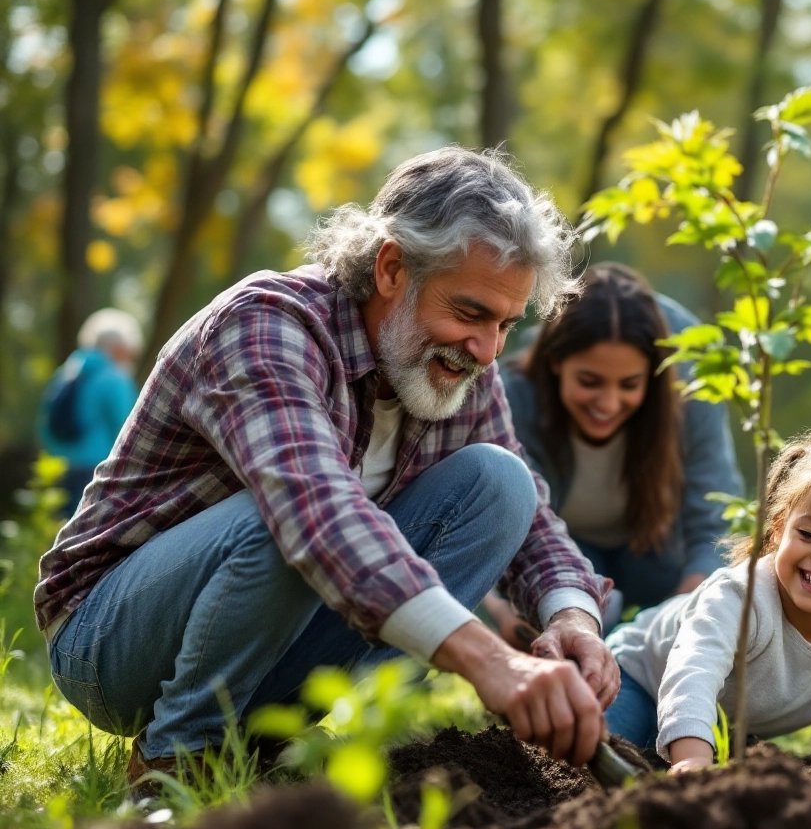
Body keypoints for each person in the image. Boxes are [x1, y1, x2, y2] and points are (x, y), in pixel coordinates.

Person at [35, 147, 620, 793]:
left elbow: (532, 517)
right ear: (392, 267)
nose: (487, 349)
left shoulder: (454, 366)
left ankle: (260, 739)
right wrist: (491, 661)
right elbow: (316, 515)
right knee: (283, 516)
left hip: (265, 637)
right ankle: (178, 757)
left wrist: (572, 620)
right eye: (471, 313)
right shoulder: (266, 324)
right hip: (109, 641)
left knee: (500, 483)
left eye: (507, 324)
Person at [604, 425, 811, 772]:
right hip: (640, 681)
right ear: (778, 528)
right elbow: (693, 673)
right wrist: (692, 762)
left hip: (722, 722)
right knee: (604, 754)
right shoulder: (739, 597)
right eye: (808, 534)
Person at [500, 262, 741, 626]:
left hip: (657, 551)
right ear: (555, 362)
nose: (608, 404)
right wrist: (511, 619)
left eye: (629, 385)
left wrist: (681, 620)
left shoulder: (692, 390)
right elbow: (505, 529)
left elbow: (713, 524)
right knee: (588, 611)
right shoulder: (515, 396)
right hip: (563, 550)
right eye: (589, 381)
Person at [38, 308, 143, 509]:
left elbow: (44, 421)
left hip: (56, 468)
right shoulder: (116, 379)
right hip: (94, 471)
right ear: (117, 348)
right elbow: (129, 432)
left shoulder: (66, 372)